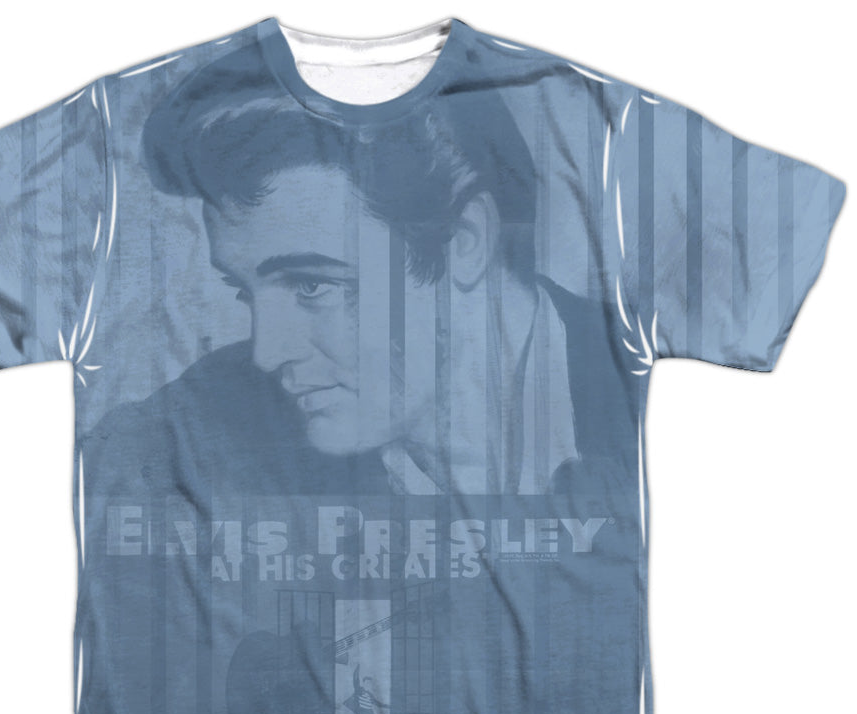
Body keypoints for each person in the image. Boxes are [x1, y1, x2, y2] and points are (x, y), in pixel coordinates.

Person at [82, 36, 633, 502]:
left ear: (463, 242)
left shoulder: (624, 382)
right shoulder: (183, 437)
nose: (268, 354)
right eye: (246, 291)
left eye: (311, 285)